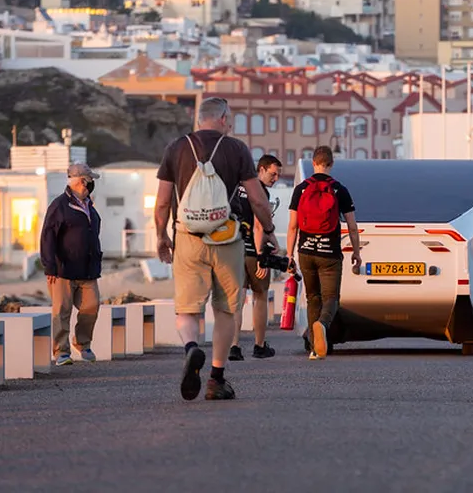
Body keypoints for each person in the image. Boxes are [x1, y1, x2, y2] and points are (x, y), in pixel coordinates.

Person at [155, 97, 276, 402]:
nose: (231, 124)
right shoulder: (236, 149)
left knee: (187, 309)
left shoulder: (176, 148)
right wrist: (269, 231)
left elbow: (162, 202)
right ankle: (216, 379)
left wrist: (161, 236)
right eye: (230, 119)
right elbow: (258, 199)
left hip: (187, 237)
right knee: (225, 309)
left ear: (199, 119)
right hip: (226, 238)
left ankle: (191, 347)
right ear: (222, 118)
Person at [286, 145, 361, 360]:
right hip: (330, 254)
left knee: (313, 298)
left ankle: (314, 348)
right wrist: (356, 253)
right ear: (331, 164)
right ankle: (322, 324)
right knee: (331, 298)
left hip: (306, 252)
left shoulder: (301, 189)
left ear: (313, 163)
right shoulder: (340, 189)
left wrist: (289, 255)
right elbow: (352, 226)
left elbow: (293, 226)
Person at [40, 163, 103, 366]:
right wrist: (49, 266)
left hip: (88, 270)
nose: (92, 185)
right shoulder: (59, 206)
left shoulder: (89, 205)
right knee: (62, 311)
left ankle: (82, 343)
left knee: (91, 306)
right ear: (82, 181)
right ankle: (61, 351)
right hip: (63, 270)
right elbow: (47, 237)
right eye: (90, 181)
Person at [229, 154, 282, 362]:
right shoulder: (260, 191)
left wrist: (273, 238)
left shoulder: (237, 187)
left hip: (234, 250)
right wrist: (261, 256)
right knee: (260, 296)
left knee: (238, 299)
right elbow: (259, 225)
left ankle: (234, 346)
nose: (276, 178)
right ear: (261, 169)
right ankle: (259, 345)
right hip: (253, 251)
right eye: (273, 174)